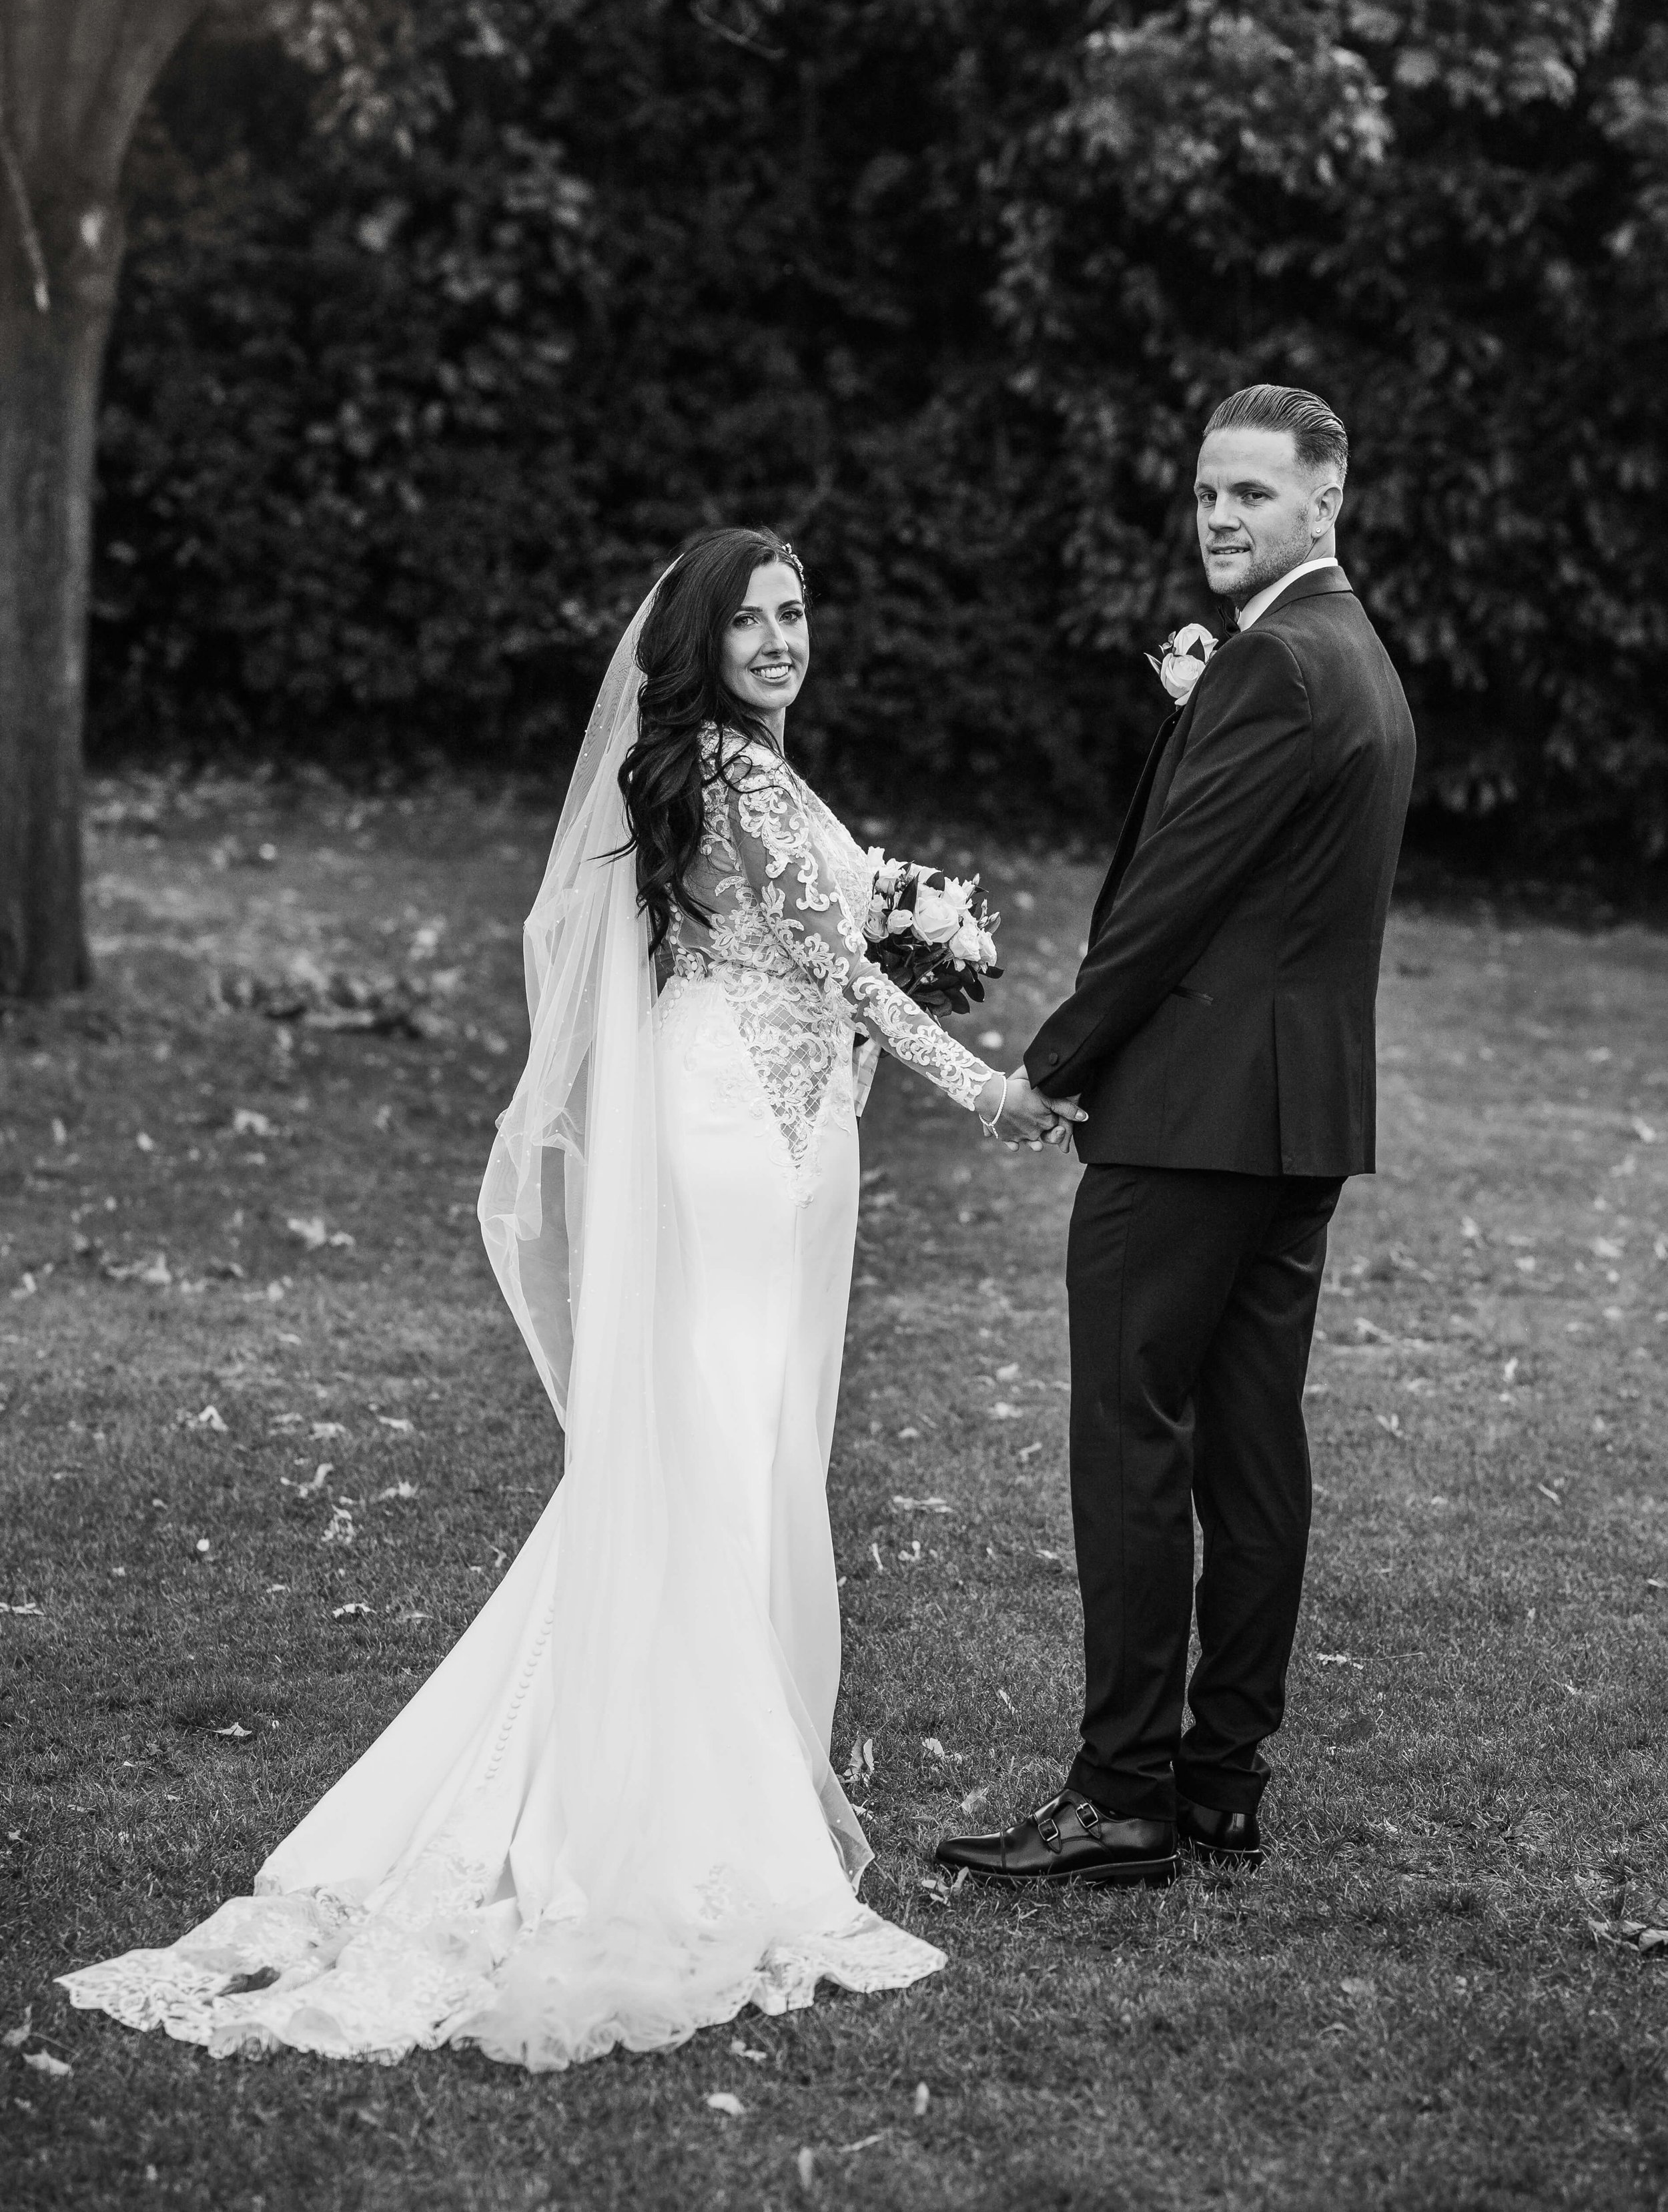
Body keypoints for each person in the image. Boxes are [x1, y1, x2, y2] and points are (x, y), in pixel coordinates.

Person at [61, 526, 1070, 2067]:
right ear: (702, 646)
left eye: (796, 614)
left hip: (785, 1127)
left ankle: (703, 1757)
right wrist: (989, 1093)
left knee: (739, 1442)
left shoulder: (748, 774)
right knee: (721, 1442)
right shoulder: (729, 780)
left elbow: (823, 962)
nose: (782, 641)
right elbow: (833, 970)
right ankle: (689, 1808)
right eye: (751, 623)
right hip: (732, 1133)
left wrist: (902, 967)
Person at [937, 385, 1416, 1888]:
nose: (1218, 516)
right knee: (1251, 1445)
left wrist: (1051, 1063)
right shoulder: (1349, 659)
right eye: (1207, 492)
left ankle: (1120, 1791)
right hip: (1292, 1119)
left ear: (1323, 502)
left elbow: (1171, 901)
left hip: (1193, 1114)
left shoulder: (1279, 665)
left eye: (1252, 495)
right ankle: (1217, 1783)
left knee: (1132, 1439)